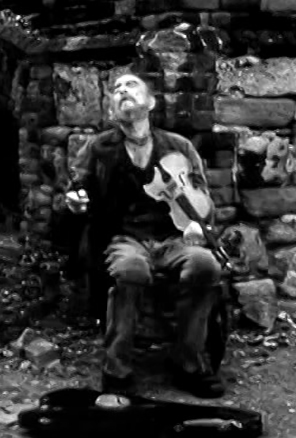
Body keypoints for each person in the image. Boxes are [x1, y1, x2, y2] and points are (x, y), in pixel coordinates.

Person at [66, 73, 225, 399]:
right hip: (124, 238)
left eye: (131, 85)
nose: (122, 90)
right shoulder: (98, 148)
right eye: (116, 89)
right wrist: (75, 201)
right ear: (112, 108)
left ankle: (189, 362)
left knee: (205, 266)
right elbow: (76, 189)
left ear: (151, 102)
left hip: (175, 239)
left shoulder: (179, 146)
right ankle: (117, 369)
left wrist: (198, 221)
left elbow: (203, 197)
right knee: (131, 270)